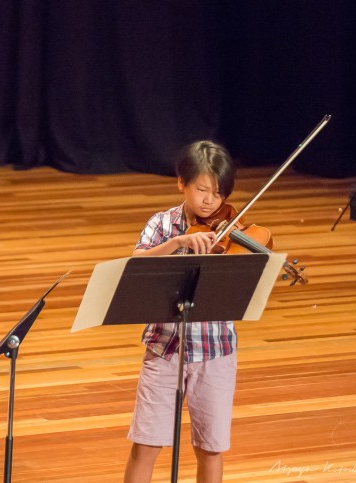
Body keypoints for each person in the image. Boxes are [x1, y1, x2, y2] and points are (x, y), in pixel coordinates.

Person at [123, 140, 237, 483]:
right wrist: (176, 243)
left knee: (210, 448)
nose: (210, 201)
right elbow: (136, 264)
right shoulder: (161, 224)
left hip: (215, 350)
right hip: (165, 348)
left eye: (219, 193)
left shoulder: (230, 231)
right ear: (181, 183)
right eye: (202, 190)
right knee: (146, 444)